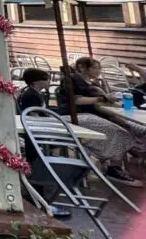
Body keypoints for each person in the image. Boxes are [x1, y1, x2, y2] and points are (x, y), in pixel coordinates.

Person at [57, 57, 143, 186]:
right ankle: (114, 169)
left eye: (99, 68)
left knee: (134, 127)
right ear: (82, 67)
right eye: (95, 67)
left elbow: (103, 101)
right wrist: (103, 98)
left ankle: (135, 154)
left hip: (95, 114)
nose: (98, 70)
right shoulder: (72, 79)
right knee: (120, 132)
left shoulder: (94, 84)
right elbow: (75, 100)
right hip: (75, 116)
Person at [17, 68, 72, 219]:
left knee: (38, 158)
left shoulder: (36, 94)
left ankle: (39, 194)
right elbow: (33, 115)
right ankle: (39, 195)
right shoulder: (30, 95)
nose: (49, 82)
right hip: (36, 133)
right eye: (46, 79)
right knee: (37, 159)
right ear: (36, 81)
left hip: (38, 132)